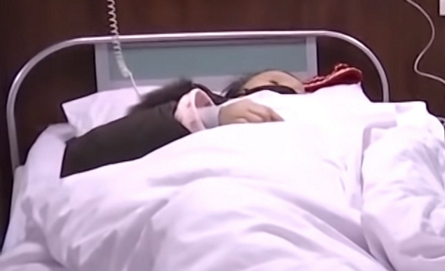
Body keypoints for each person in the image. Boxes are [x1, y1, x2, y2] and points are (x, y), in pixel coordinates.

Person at [60, 70, 303, 177]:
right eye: (275, 82)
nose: (286, 91)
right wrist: (210, 117)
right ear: (241, 88)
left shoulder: (317, 111)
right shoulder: (191, 103)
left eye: (296, 92)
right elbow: (84, 154)